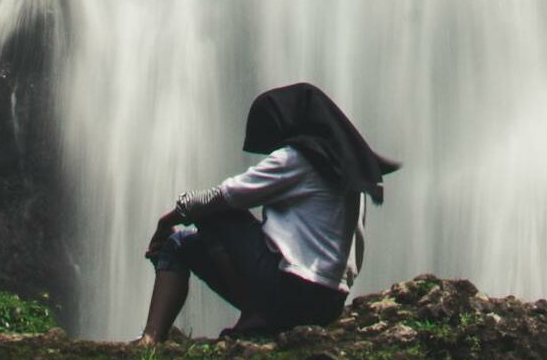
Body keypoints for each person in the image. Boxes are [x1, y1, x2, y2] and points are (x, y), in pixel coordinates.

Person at [139, 81, 399, 344]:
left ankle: (247, 317)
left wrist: (166, 221)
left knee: (215, 213)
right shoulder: (348, 174)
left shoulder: (297, 159)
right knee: (179, 244)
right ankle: (152, 340)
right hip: (329, 304)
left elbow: (224, 196)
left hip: (289, 292)